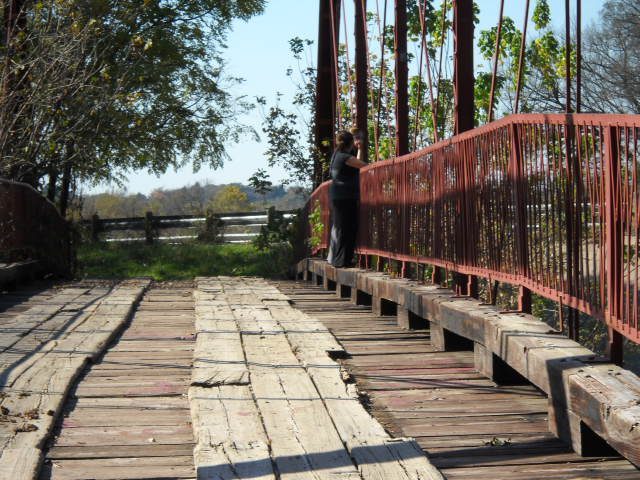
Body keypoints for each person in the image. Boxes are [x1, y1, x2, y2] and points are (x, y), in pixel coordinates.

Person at [327, 130, 367, 268]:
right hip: (345, 197)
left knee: (342, 227)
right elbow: (364, 166)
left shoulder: (336, 156)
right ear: (350, 143)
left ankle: (339, 260)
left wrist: (359, 149)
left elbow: (358, 164)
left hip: (339, 196)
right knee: (347, 228)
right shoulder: (344, 157)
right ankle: (342, 260)